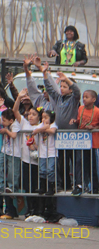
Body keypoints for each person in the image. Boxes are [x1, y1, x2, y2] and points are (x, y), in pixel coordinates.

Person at [42, 62, 81, 191]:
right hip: (61, 136)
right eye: (61, 86)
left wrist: (67, 80)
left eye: (65, 86)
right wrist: (44, 73)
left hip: (72, 135)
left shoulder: (73, 99)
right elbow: (49, 89)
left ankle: (77, 184)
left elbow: (77, 91)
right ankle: (65, 184)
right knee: (62, 162)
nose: (62, 88)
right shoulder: (58, 98)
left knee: (75, 161)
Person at [0, 108, 22, 219]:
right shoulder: (6, 123)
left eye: (4, 120)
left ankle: (12, 189)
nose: (2, 122)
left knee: (12, 173)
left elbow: (13, 135)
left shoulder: (15, 125)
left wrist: (6, 131)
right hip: (4, 150)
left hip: (14, 153)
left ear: (11, 120)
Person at [14, 93, 43, 217]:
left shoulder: (41, 127)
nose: (30, 117)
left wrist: (34, 146)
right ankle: (29, 209)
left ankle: (38, 210)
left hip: (37, 162)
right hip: (25, 161)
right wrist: (19, 98)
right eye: (29, 114)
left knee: (36, 186)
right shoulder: (25, 124)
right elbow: (15, 110)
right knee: (26, 186)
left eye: (34, 115)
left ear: (39, 117)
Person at [70, 89, 98, 196]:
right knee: (80, 164)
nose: (84, 99)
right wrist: (75, 121)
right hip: (80, 142)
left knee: (92, 165)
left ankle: (95, 187)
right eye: (83, 97)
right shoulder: (80, 108)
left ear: (94, 99)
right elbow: (79, 120)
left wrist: (93, 127)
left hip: (93, 143)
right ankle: (81, 185)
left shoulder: (97, 111)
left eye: (87, 97)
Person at [31, 110, 58, 196]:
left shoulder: (53, 125)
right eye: (42, 118)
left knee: (50, 170)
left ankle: (51, 187)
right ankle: (43, 187)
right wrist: (43, 127)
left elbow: (52, 131)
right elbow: (34, 131)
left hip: (52, 152)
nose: (43, 120)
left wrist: (44, 128)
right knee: (42, 170)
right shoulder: (40, 126)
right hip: (42, 152)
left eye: (46, 118)